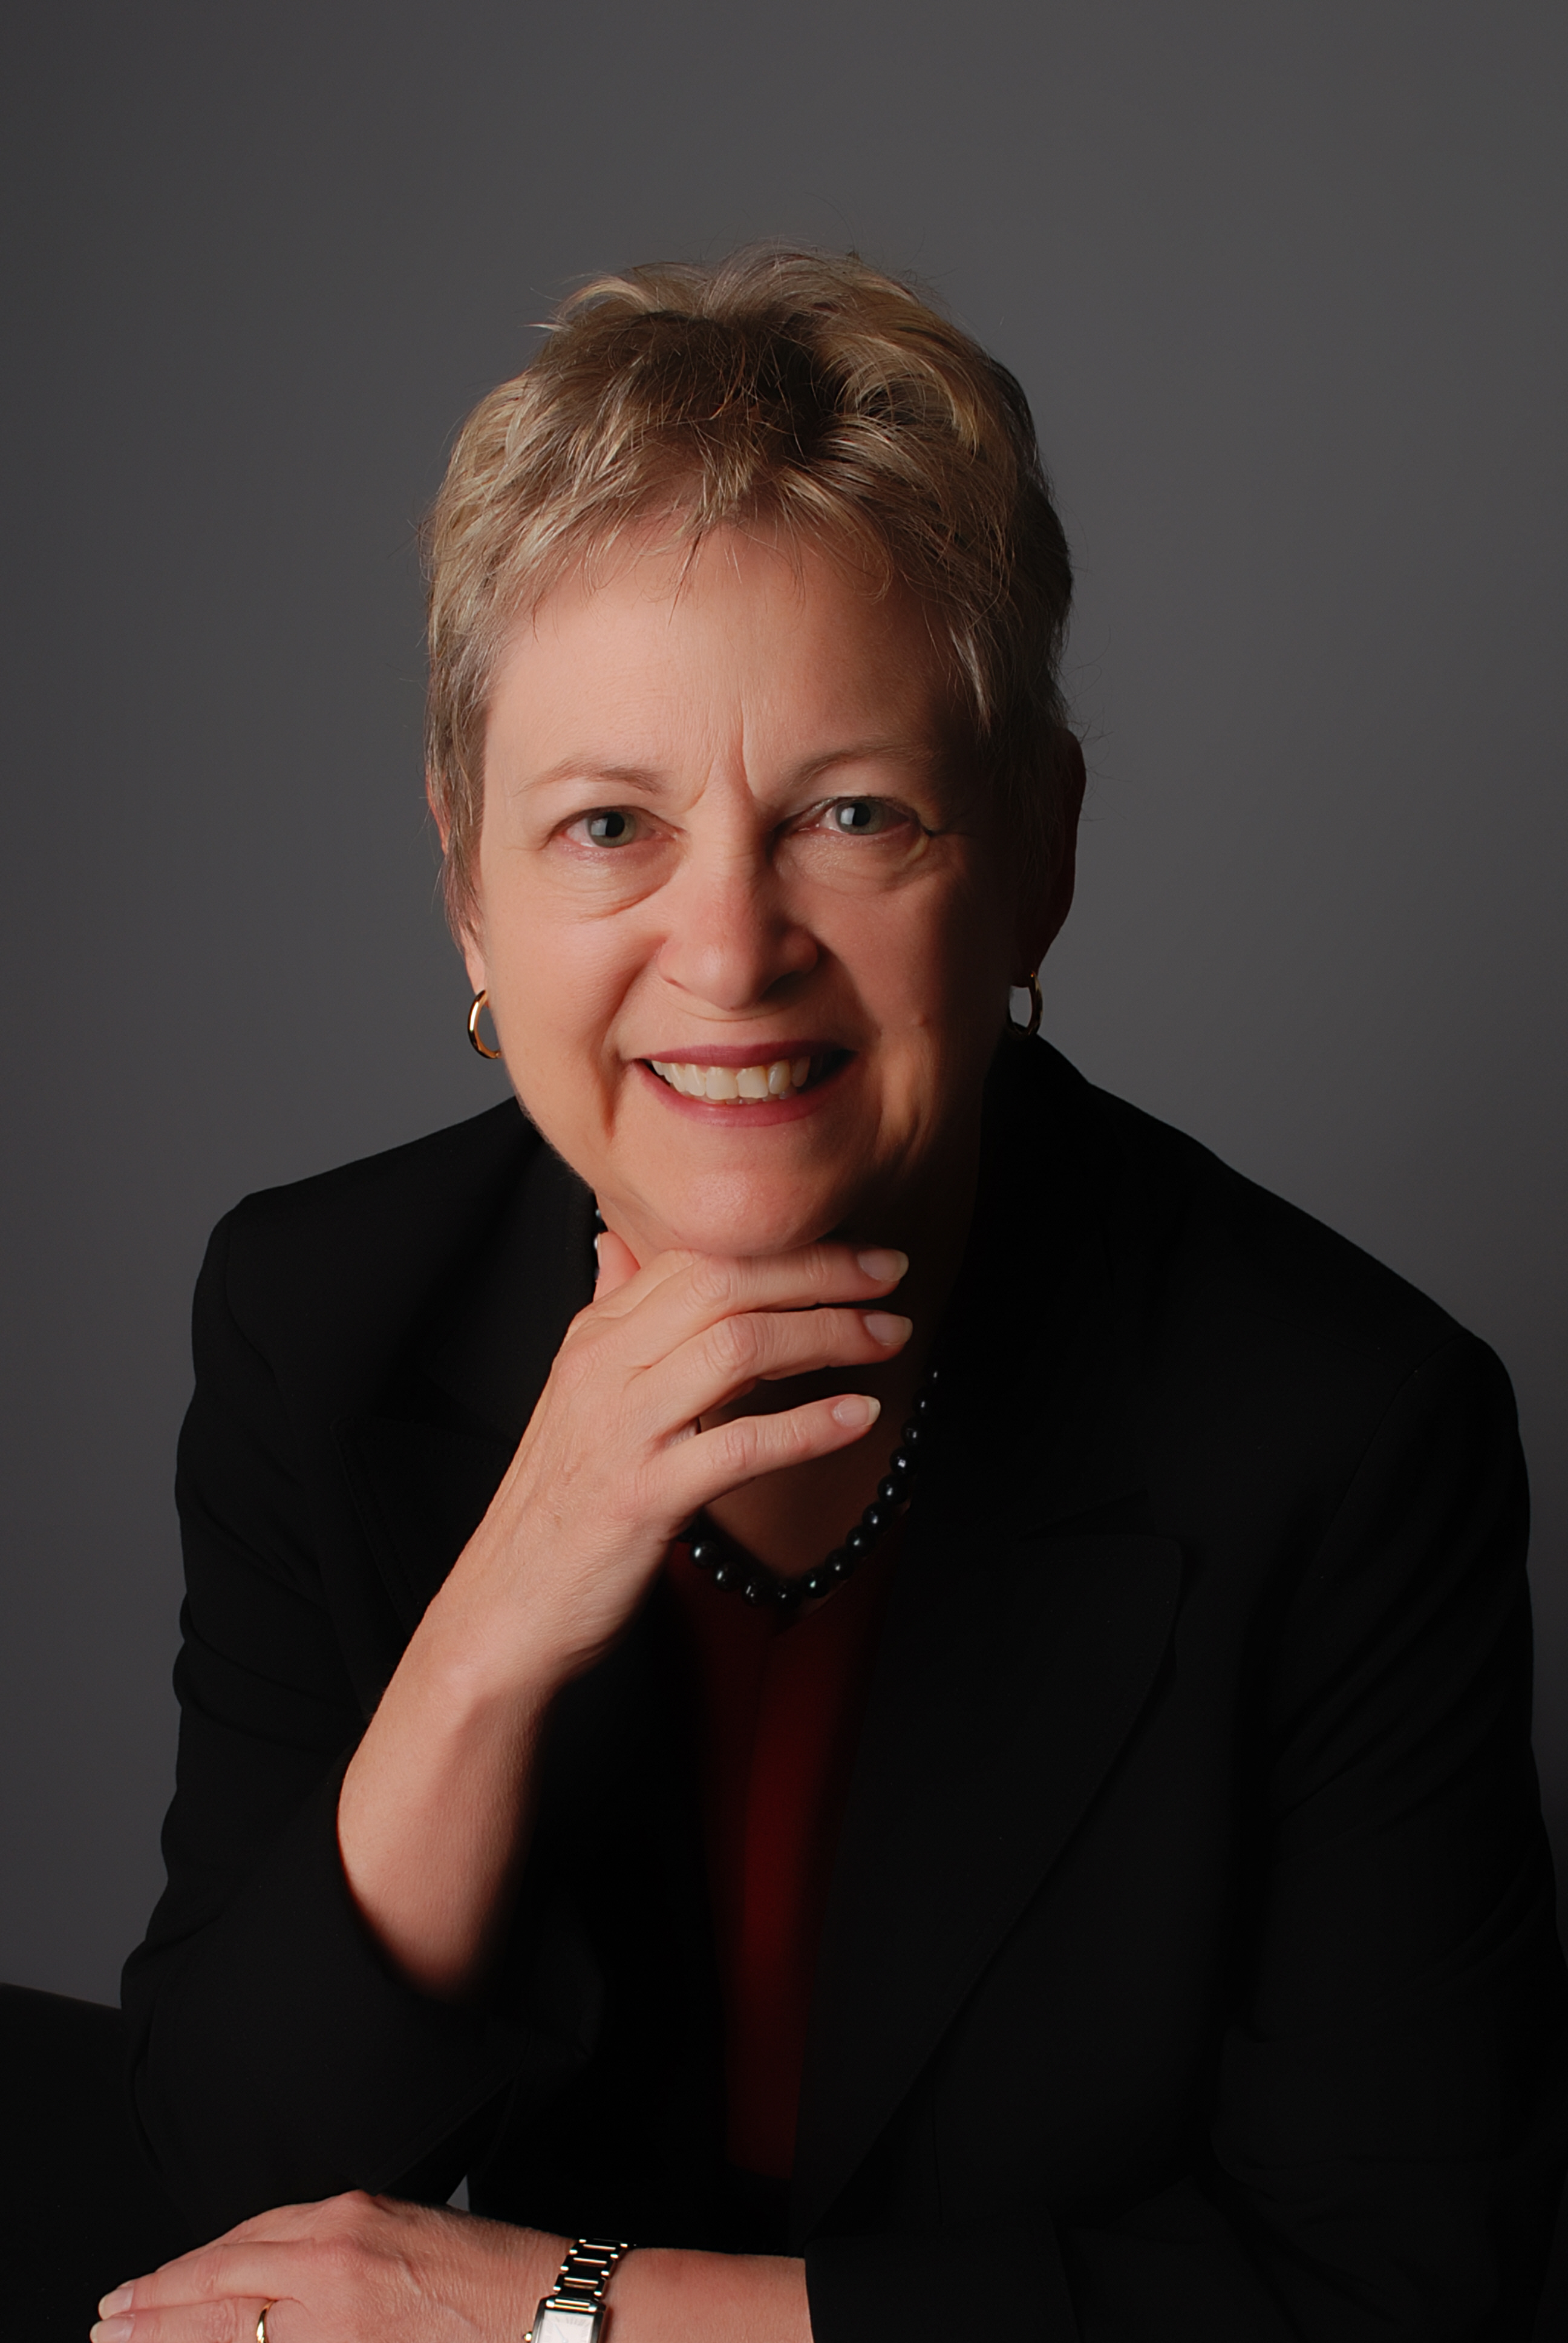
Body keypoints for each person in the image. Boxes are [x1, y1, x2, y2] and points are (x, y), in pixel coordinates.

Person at [102, 251, 1565, 2343]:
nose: (729, 949)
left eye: (853, 815)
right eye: (608, 825)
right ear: (466, 889)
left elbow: (1395, 2295)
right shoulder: (314, 1321)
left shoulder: (1343, 1434)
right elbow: (224, 2194)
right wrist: (498, 1621)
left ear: (1037, 856)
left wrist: (575, 2316)